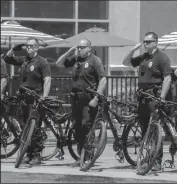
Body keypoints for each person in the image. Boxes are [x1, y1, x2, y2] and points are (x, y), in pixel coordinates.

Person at [123, 32, 172, 171]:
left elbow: (168, 78)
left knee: (155, 129)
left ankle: (157, 161)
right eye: (144, 41)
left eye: (148, 41)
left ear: (155, 42)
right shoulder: (144, 57)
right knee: (145, 130)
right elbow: (126, 62)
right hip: (142, 97)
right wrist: (133, 50)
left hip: (154, 96)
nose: (145, 44)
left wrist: (161, 98)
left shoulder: (162, 57)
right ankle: (149, 158)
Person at [56, 38, 107, 167]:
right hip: (76, 98)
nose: (80, 49)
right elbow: (59, 63)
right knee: (77, 127)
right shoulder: (76, 59)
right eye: (79, 47)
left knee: (86, 125)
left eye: (83, 47)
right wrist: (69, 52)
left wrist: (96, 98)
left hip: (89, 98)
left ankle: (88, 155)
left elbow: (103, 80)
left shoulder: (95, 61)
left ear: (89, 48)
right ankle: (81, 156)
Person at [4, 37, 52, 165]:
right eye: (27, 46)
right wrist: (14, 49)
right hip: (23, 97)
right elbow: (7, 59)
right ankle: (28, 153)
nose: (28, 48)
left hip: (36, 97)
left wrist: (44, 97)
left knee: (35, 127)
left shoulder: (42, 62)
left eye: (31, 46)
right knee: (24, 126)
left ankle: (36, 155)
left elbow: (47, 80)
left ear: (36, 47)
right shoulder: (24, 60)